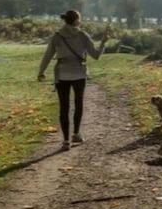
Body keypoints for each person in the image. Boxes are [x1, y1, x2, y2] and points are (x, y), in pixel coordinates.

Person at [37, 10, 109, 150]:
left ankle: (65, 141)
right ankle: (76, 134)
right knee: (78, 104)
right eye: (79, 19)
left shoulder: (57, 36)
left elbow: (47, 55)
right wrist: (103, 42)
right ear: (76, 20)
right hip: (79, 73)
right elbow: (96, 55)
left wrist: (41, 72)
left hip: (62, 74)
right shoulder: (82, 35)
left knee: (64, 107)